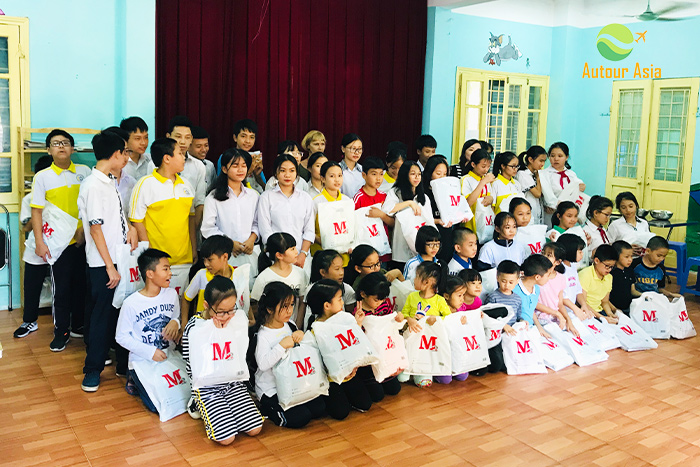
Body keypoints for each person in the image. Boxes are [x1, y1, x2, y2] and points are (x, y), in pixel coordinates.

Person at [77, 130, 138, 391]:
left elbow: (115, 218)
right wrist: (110, 266)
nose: (127, 157)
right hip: (104, 263)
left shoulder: (108, 181)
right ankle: (92, 370)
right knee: (102, 315)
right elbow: (95, 229)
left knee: (118, 312)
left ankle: (122, 364)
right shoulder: (93, 185)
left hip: (118, 257)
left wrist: (130, 230)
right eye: (125, 152)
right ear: (115, 154)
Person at [182, 276, 263, 443]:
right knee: (227, 438)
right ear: (207, 306)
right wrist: (212, 334)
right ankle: (197, 402)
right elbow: (191, 363)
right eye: (221, 312)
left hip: (232, 382)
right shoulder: (195, 327)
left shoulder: (234, 319)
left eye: (231, 309)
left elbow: (239, 351)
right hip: (207, 386)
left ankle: (227, 410)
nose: (227, 316)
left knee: (255, 428)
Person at [30, 129, 91, 351]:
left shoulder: (85, 172)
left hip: (83, 240)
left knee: (82, 286)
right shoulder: (42, 177)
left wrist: (83, 232)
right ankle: (61, 331)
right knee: (62, 288)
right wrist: (39, 242)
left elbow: (89, 206)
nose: (61, 146)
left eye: (65, 143)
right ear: (48, 149)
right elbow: (36, 212)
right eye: (56, 143)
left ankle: (78, 326)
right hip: (58, 243)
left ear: (73, 148)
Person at [115, 249, 181, 413]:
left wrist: (176, 322)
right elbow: (121, 336)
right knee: (156, 406)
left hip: (168, 355)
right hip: (143, 359)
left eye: (169, 269)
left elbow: (176, 317)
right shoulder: (131, 303)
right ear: (150, 274)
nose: (170, 273)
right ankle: (133, 377)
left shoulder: (171, 294)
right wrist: (149, 351)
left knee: (180, 398)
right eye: (165, 269)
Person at [253, 281, 325, 428]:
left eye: (291, 305)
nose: (289, 310)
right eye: (284, 306)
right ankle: (267, 409)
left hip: (292, 381)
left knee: (319, 408)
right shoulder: (262, 335)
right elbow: (263, 364)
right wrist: (281, 346)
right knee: (300, 418)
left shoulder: (290, 325)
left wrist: (300, 335)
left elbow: (297, 350)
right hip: (270, 388)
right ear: (269, 309)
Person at [129, 138, 196, 295]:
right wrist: (151, 255)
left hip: (184, 259)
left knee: (179, 304)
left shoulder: (186, 184)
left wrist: (193, 248)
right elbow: (136, 221)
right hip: (158, 263)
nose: (184, 156)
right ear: (167, 158)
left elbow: (190, 219)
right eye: (180, 153)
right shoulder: (145, 184)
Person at [307, 279, 373, 419]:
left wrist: (357, 324)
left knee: (365, 404)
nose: (343, 302)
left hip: (349, 375)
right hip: (330, 380)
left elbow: (354, 345)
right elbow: (317, 363)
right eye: (339, 299)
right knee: (340, 413)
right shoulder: (316, 330)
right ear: (327, 305)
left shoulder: (344, 319)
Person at [13, 155, 53, 339]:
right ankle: (29, 320)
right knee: (32, 285)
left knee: (66, 285)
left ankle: (67, 323)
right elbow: (25, 227)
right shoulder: (29, 198)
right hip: (37, 247)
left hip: (61, 247)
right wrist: (38, 212)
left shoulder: (62, 195)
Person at [256, 155, 315, 268]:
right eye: (282, 170)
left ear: (297, 173)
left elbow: (309, 230)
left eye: (292, 170)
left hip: (300, 258)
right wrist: (281, 255)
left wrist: (303, 254)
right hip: (277, 257)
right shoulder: (266, 197)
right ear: (276, 173)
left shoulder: (305, 198)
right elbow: (265, 230)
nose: (287, 175)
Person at [401, 262, 451, 388]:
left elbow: (449, 318)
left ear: (427, 282)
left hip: (430, 343)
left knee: (424, 383)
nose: (414, 279)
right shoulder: (412, 296)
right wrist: (409, 319)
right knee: (402, 378)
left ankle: (422, 370)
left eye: (417, 276)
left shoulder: (439, 300)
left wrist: (437, 319)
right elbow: (404, 314)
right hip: (412, 341)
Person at [201, 149, 259, 257]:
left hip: (250, 253)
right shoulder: (213, 197)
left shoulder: (253, 195)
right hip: (223, 254)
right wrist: (230, 243)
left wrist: (252, 239)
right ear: (224, 169)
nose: (240, 170)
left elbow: (257, 222)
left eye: (244, 165)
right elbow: (207, 228)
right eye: (235, 166)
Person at [353, 273, 403, 396]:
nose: (380, 303)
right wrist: (358, 322)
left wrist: (398, 319)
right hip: (369, 359)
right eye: (376, 300)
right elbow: (356, 338)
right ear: (363, 294)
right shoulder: (358, 312)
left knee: (394, 389)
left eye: (382, 299)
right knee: (377, 395)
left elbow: (390, 325)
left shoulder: (384, 305)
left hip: (385, 352)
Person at [382, 160, 436, 266]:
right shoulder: (395, 192)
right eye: (412, 174)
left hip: (420, 243)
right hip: (401, 244)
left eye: (419, 174)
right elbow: (387, 209)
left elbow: (429, 220)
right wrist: (409, 203)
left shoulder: (424, 197)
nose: (417, 177)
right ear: (405, 175)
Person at [251, 233, 309, 329]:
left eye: (295, 248)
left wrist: (297, 326)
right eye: (292, 249)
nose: (296, 252)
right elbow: (255, 305)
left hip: (293, 327)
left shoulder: (300, 273)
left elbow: (302, 302)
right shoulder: (264, 277)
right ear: (279, 255)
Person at [182, 235, 237, 323]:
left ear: (225, 257)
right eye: (204, 260)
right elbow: (186, 299)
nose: (206, 264)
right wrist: (184, 325)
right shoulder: (201, 275)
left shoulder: (238, 276)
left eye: (210, 260)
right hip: (203, 327)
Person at [299, 249, 357, 329]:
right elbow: (302, 313)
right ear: (323, 272)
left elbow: (348, 316)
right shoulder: (311, 289)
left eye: (342, 268)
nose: (341, 272)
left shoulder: (347, 290)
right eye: (337, 269)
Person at [353, 157, 394, 263]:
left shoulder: (385, 197)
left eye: (381, 174)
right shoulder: (358, 198)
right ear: (364, 175)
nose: (378, 178)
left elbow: (393, 223)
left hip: (384, 249)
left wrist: (382, 215)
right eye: (374, 174)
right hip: (367, 251)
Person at [311, 160, 352, 263]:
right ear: (323, 179)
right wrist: (321, 240)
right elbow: (308, 229)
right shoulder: (316, 201)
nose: (337, 180)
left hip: (344, 255)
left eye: (339, 175)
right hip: (323, 254)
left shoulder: (347, 200)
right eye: (332, 176)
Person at [433, 275, 471, 385]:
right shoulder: (438, 310)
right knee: (446, 380)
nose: (462, 299)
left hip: (456, 351)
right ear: (446, 296)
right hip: (441, 352)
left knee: (463, 376)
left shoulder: (461, 308)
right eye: (459, 295)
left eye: (463, 295)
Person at [423, 155, 462, 263]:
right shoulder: (423, 192)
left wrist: (460, 216)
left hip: (446, 233)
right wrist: (437, 221)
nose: (442, 177)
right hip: (430, 234)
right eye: (438, 174)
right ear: (430, 173)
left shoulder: (449, 191)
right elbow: (420, 217)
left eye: (445, 174)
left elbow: (455, 208)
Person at [536, 243, 581, 335]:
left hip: (555, 317)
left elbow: (560, 304)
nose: (544, 257)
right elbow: (534, 303)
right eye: (543, 253)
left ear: (557, 262)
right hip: (540, 318)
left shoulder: (560, 278)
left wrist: (568, 320)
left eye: (549, 255)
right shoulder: (536, 276)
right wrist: (557, 314)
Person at [541, 142, 586, 220]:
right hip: (551, 213)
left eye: (560, 156)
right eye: (552, 156)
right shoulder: (545, 174)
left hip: (569, 215)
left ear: (566, 157)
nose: (556, 159)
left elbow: (580, 186)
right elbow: (546, 195)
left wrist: (582, 186)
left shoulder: (571, 174)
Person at [556, 234, 596, 320]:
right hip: (560, 313)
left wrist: (584, 305)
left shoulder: (573, 266)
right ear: (570, 250)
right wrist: (576, 309)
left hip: (572, 311)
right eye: (579, 251)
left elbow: (578, 291)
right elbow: (561, 297)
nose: (582, 254)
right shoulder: (559, 268)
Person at [579, 244, 619, 324]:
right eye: (607, 266)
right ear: (596, 261)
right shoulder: (585, 274)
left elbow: (604, 301)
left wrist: (610, 314)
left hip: (600, 312)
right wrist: (603, 318)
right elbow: (582, 303)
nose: (609, 269)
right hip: (586, 313)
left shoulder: (609, 277)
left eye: (612, 267)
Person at [514, 255, 553, 337]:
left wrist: (539, 328)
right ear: (537, 277)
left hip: (531, 329)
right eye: (548, 275)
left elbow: (531, 311)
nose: (549, 278)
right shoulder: (514, 289)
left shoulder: (536, 289)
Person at [461, 149, 495, 240]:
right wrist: (482, 182)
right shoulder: (466, 179)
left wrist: (491, 198)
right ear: (473, 164)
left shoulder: (486, 179)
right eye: (483, 166)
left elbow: (491, 198)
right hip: (470, 226)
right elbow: (467, 204)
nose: (486, 170)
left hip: (486, 224)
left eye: (488, 167)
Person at [631, 235, 680, 300]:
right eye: (659, 255)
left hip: (654, 300)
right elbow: (632, 290)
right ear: (648, 251)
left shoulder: (661, 269)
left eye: (664, 256)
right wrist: (644, 296)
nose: (661, 259)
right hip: (637, 300)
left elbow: (660, 288)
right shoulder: (634, 264)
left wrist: (670, 294)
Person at [516, 145, 547, 224]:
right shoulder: (523, 174)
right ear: (530, 159)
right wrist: (538, 178)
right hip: (527, 215)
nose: (542, 164)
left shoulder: (534, 173)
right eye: (540, 161)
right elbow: (537, 194)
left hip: (538, 213)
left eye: (544, 161)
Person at [485, 260, 522, 325]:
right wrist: (504, 326)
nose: (507, 285)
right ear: (497, 277)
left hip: (513, 332)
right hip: (498, 332)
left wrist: (522, 321)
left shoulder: (517, 299)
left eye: (511, 282)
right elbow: (488, 318)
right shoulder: (493, 297)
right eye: (503, 281)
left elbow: (518, 317)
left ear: (517, 280)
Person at [120, 116, 151, 180]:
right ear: (125, 140)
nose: (143, 143)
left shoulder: (150, 160)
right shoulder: (119, 163)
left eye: (146, 137)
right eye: (137, 138)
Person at [610, 240, 636, 315]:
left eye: (631, 256)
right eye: (626, 257)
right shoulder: (610, 273)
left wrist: (645, 295)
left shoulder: (630, 271)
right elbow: (605, 298)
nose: (630, 260)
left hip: (629, 308)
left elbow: (633, 291)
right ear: (617, 256)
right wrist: (615, 310)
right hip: (615, 310)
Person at [189, 126, 216, 191]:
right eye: (198, 146)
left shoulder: (210, 165)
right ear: (188, 146)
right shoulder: (182, 166)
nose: (204, 150)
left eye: (206, 145)